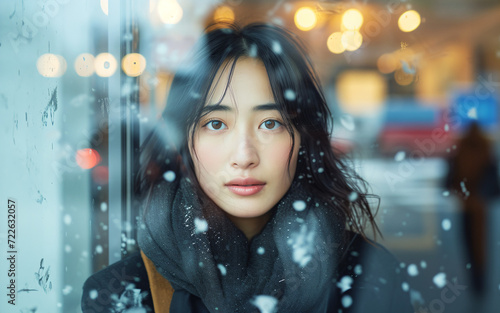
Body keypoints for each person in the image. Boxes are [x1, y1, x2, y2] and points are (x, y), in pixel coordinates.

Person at [81, 22, 414, 313]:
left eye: (270, 124)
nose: (244, 155)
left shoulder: (367, 278)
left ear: (302, 138)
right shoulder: (124, 294)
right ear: (183, 143)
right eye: (215, 124)